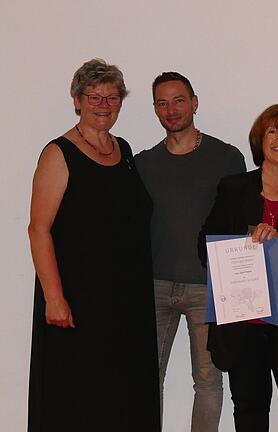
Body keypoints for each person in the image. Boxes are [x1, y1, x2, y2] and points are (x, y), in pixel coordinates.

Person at [27, 58, 160, 431]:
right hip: (77, 302)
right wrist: (54, 297)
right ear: (77, 100)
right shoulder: (58, 153)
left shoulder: (126, 150)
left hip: (126, 303)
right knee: (80, 398)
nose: (103, 104)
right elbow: (39, 229)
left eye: (112, 96)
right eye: (94, 96)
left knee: (124, 396)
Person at [200, 104, 278, 431]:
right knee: (249, 414)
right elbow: (204, 246)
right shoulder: (233, 188)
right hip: (245, 326)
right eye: (273, 130)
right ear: (260, 139)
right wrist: (244, 241)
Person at [135, 71, 246, 431]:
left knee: (209, 382)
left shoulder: (227, 157)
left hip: (209, 287)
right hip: (154, 285)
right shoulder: (143, 164)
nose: (171, 110)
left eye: (179, 100)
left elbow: (238, 222)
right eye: (162, 103)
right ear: (154, 109)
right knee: (146, 380)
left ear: (195, 103)